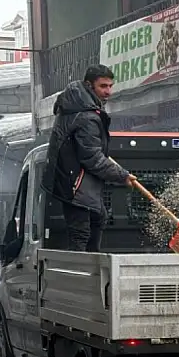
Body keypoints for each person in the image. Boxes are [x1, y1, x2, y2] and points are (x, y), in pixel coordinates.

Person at [41, 64, 137, 252]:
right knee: (81, 234)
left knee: (98, 218)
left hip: (76, 182)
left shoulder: (78, 108)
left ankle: (93, 270)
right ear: (89, 85)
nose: (108, 91)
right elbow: (92, 158)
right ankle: (84, 276)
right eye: (103, 86)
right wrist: (122, 175)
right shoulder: (86, 117)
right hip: (75, 184)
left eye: (110, 86)